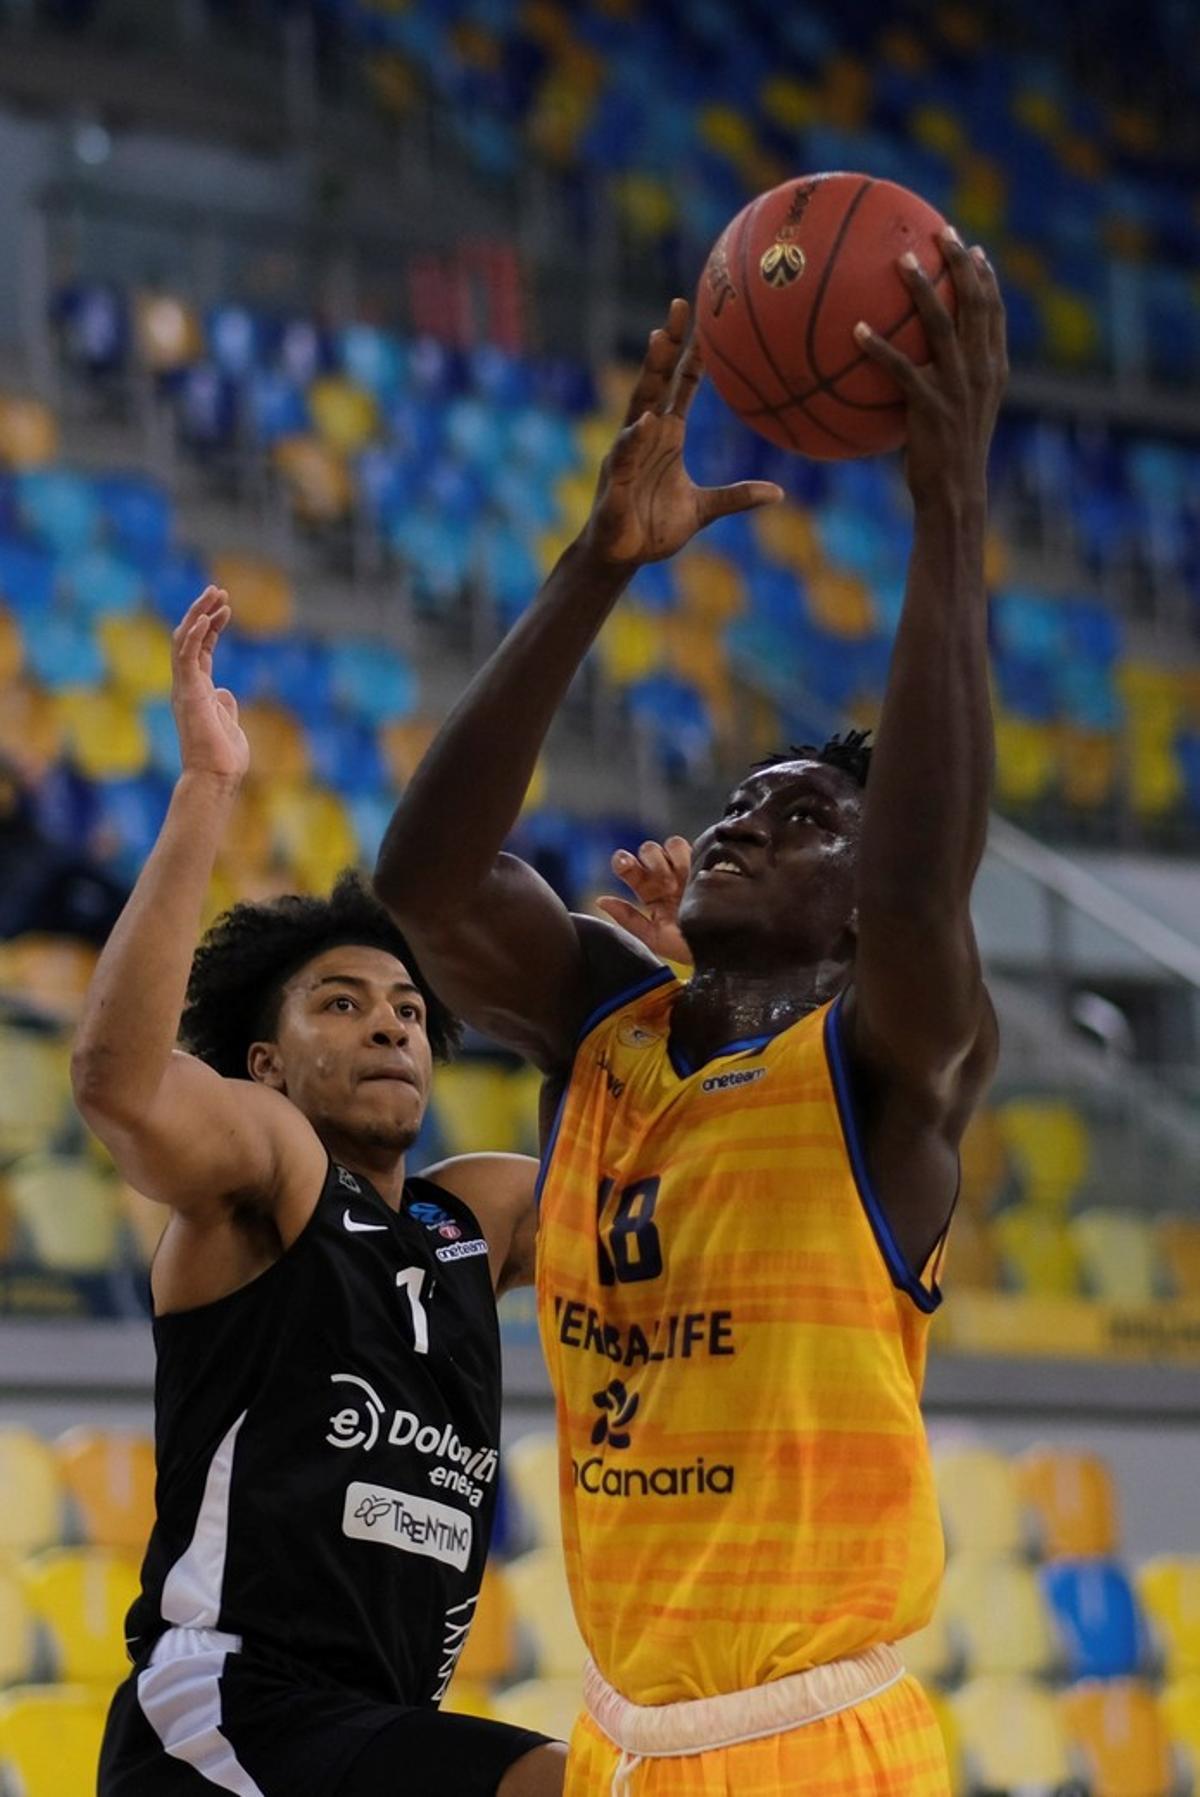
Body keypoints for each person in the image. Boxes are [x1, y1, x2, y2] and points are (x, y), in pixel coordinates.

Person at [374, 231, 1006, 1796]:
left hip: (817, 1745)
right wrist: (595, 567)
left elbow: (922, 892)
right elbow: (426, 882)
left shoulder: (884, 1069)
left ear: (858, 909)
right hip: (619, 1736)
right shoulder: (608, 1026)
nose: (745, 823)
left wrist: (949, 518)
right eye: (740, 801)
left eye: (805, 821)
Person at [73, 588, 567, 1797]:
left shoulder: (471, 1214)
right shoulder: (279, 1171)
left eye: (406, 1010)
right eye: (340, 1005)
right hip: (227, 1716)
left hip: (368, 1731)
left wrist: (647, 1004)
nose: (389, 1026)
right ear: (266, 1065)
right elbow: (119, 1086)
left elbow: (663, 1208)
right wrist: (207, 790)